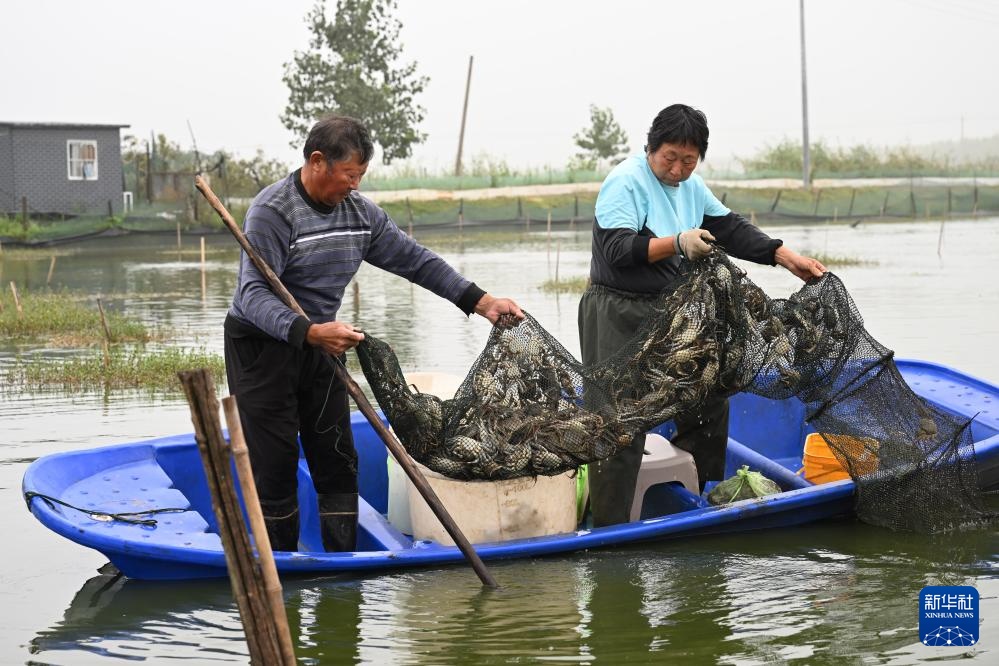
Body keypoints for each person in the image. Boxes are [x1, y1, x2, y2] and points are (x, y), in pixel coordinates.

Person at [225, 115, 524, 552]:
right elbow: (252, 295)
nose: (355, 186)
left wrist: (482, 302)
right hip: (264, 347)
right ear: (317, 162)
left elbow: (415, 261)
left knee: (339, 461)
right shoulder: (273, 212)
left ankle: (342, 578)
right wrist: (307, 331)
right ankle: (283, 574)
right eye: (349, 175)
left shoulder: (360, 215)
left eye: (361, 176)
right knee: (275, 466)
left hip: (323, 344)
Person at [579, 103, 825, 527]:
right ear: (651, 148)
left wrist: (785, 256)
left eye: (688, 161)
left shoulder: (691, 188)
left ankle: (696, 504)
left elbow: (730, 228)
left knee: (707, 396)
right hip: (617, 311)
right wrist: (677, 242)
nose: (677, 169)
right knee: (620, 422)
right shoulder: (625, 182)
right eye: (669, 158)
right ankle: (610, 530)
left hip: (669, 311)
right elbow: (619, 251)